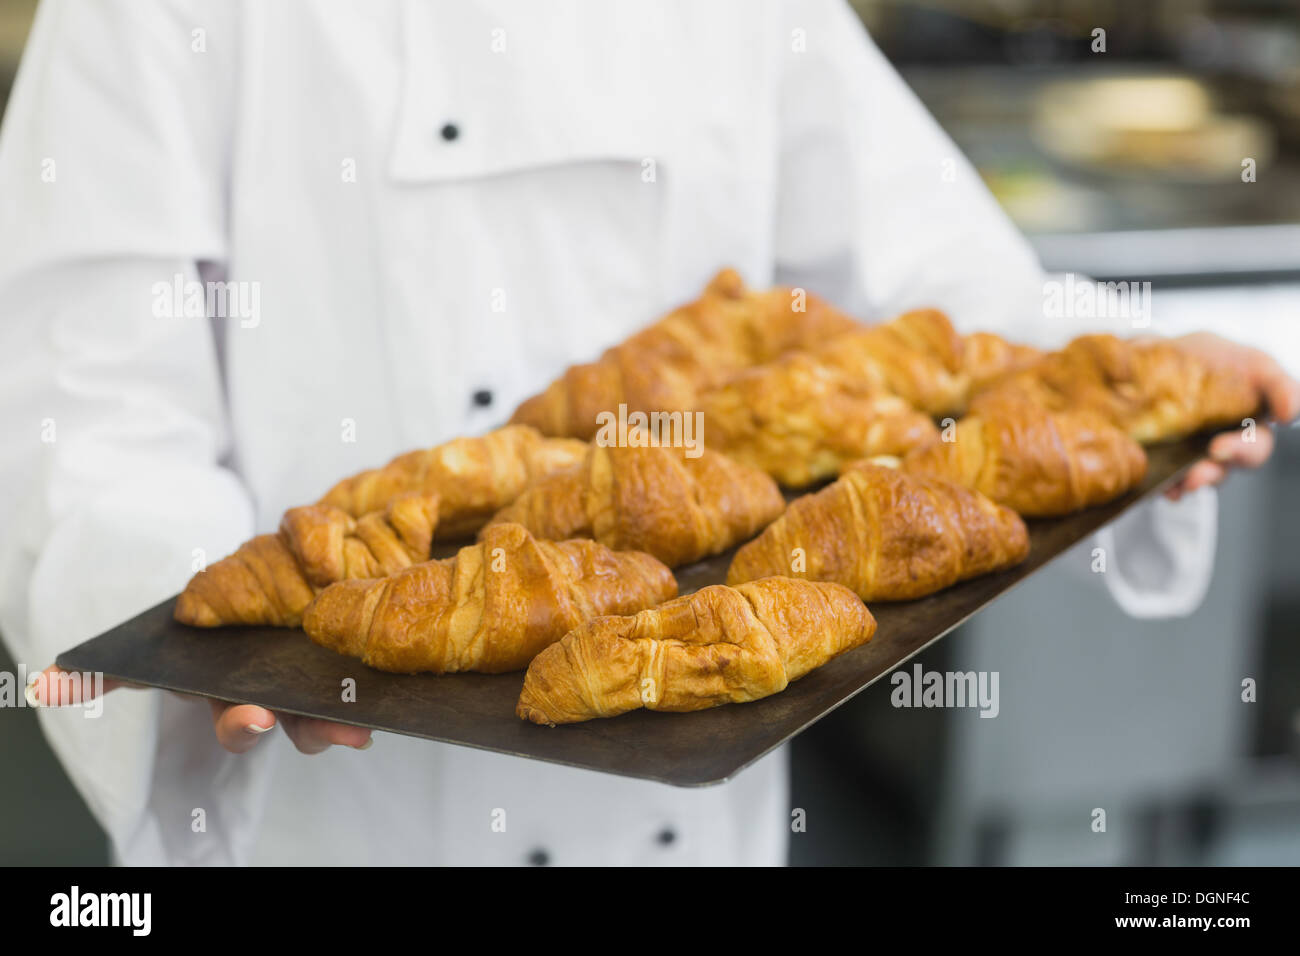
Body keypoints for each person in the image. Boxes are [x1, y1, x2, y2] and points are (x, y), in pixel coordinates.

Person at [2, 0, 1296, 866]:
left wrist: (1107, 371)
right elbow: (85, 398)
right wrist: (205, 634)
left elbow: (916, 284)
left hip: (690, 783)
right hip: (350, 798)